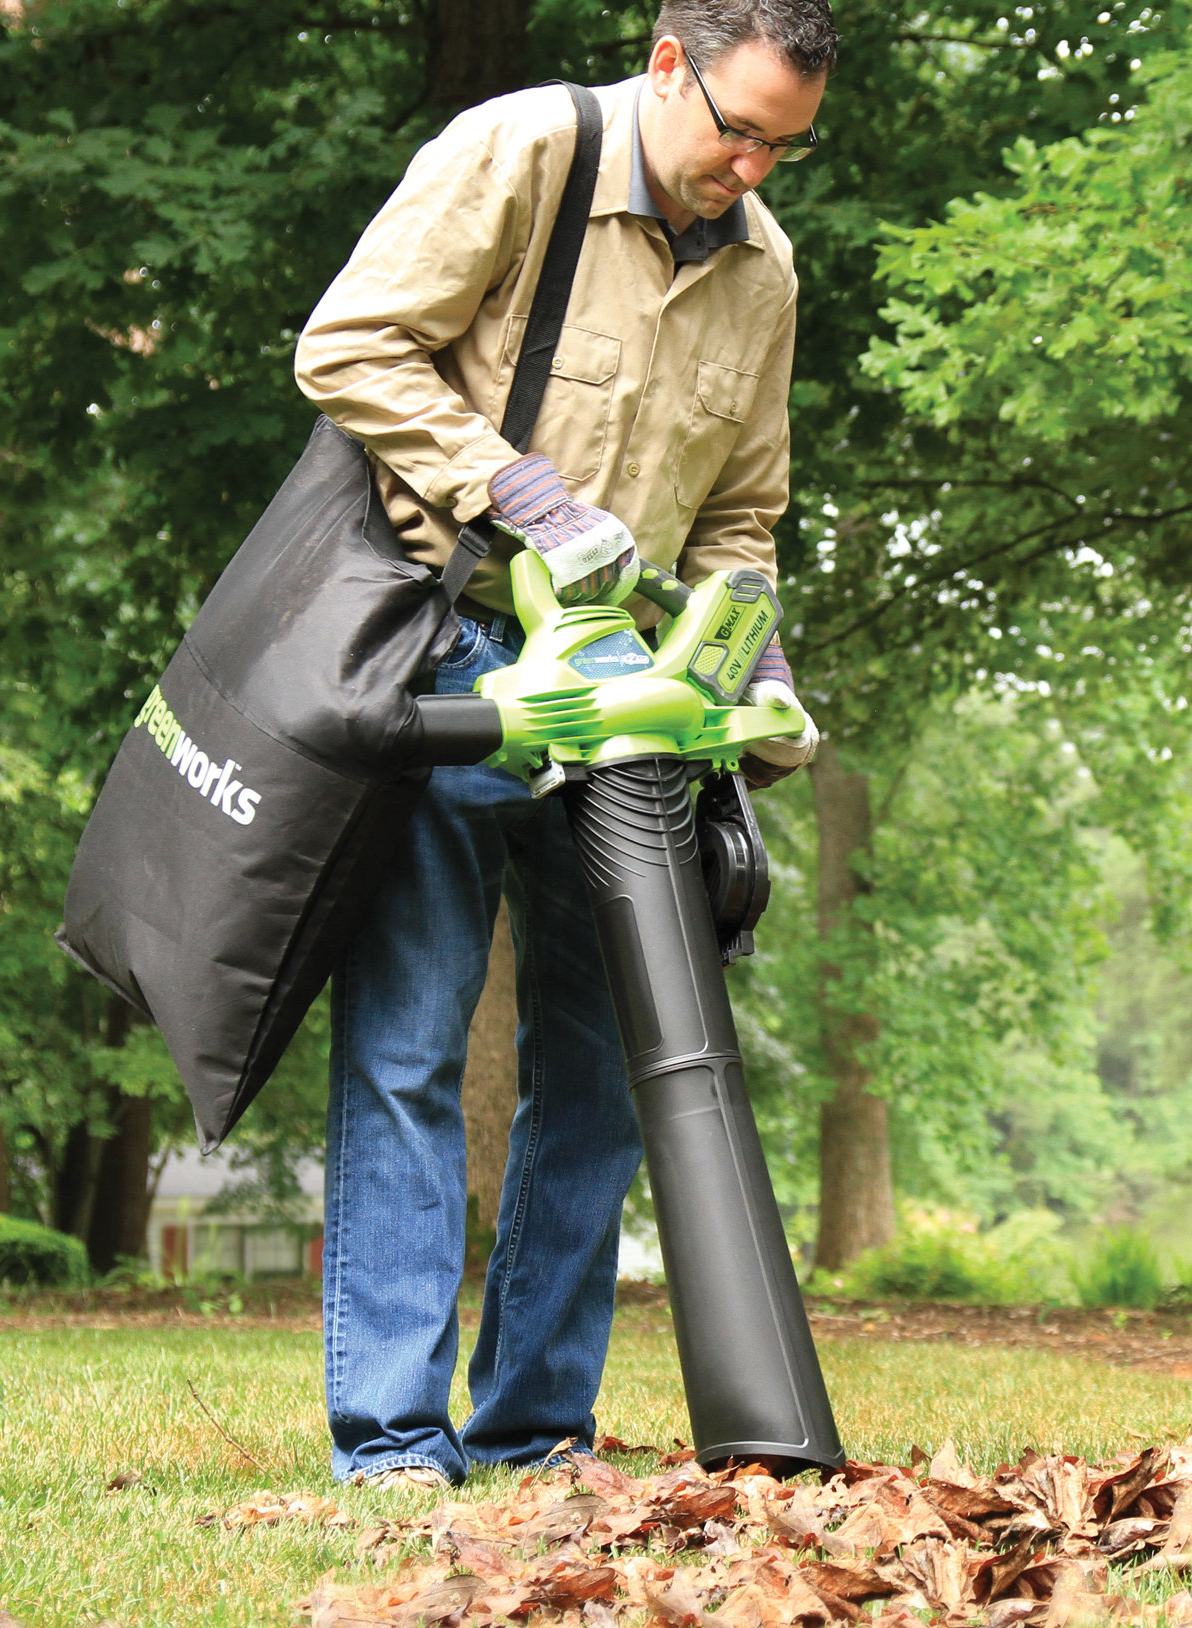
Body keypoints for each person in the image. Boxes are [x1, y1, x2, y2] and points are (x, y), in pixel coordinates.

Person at [293, 0, 835, 1491]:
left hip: (634, 707)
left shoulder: (764, 271)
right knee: (409, 1045)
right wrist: (516, 492)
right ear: (671, 62)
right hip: (455, 653)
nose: (756, 170)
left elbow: (739, 518)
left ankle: (533, 1429)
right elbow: (347, 347)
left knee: (603, 1067)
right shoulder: (524, 150)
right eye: (739, 129)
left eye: (788, 146)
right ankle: (394, 1437)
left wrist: (749, 644)